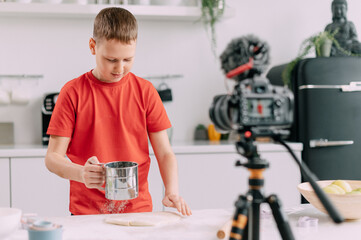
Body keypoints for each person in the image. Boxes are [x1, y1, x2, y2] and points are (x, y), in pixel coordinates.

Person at [45, 7, 192, 216]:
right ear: (92, 46)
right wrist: (81, 173)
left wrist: (172, 191)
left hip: (138, 210)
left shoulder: (146, 92)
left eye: (128, 60)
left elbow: (165, 152)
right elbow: (52, 158)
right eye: (112, 60)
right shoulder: (72, 93)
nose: (120, 68)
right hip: (86, 214)